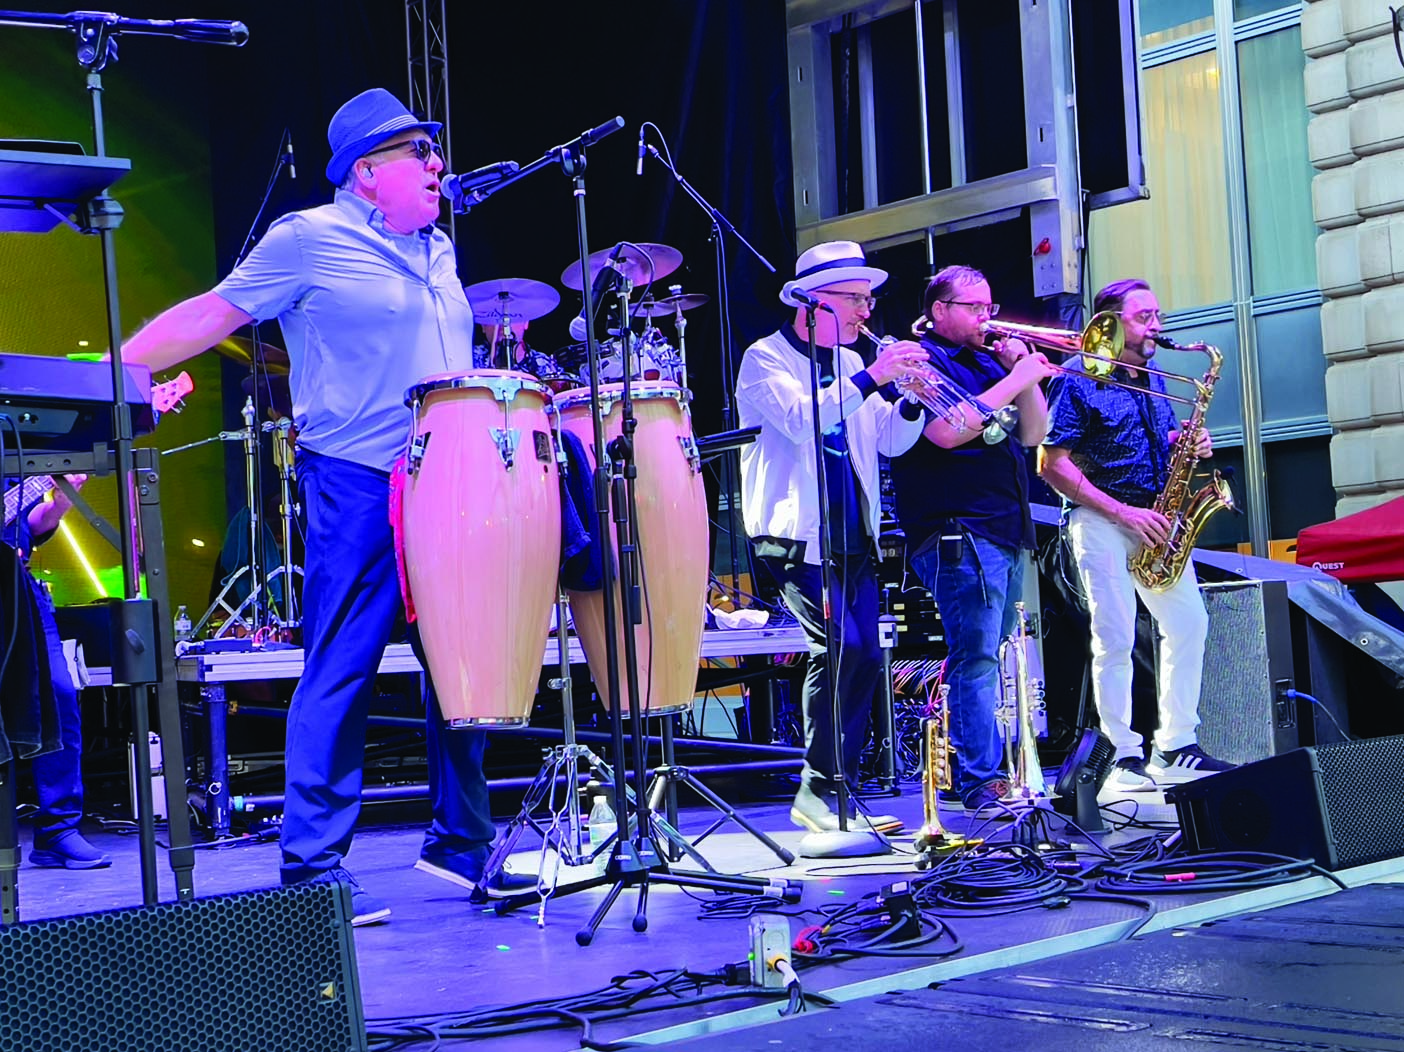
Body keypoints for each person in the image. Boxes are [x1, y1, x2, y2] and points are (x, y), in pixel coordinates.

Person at [123, 88, 498, 924]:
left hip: (445, 482)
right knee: (343, 664)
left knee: (462, 663)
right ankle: (312, 865)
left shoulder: (439, 249)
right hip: (356, 480)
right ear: (366, 172)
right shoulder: (307, 238)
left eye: (434, 150)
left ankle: (463, 845)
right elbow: (213, 310)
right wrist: (119, 368)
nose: (438, 165)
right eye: (419, 152)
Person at [736, 240, 928, 834]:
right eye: (855, 299)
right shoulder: (764, 358)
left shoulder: (849, 363)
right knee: (840, 646)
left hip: (853, 532)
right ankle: (820, 791)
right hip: (794, 535)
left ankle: (837, 789)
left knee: (867, 653)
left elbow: (889, 441)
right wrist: (874, 376)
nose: (866, 311)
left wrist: (912, 400)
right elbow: (803, 420)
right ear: (813, 302)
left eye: (868, 300)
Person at [1038, 278, 1232, 788]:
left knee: (1189, 622)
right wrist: (1123, 513)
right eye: (1144, 317)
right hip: (1101, 519)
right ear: (1110, 323)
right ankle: (1122, 754)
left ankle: (1176, 745)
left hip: (1157, 519)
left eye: (1158, 316)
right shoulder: (1078, 376)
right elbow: (1051, 464)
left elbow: (1155, 443)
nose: (1157, 327)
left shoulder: (1154, 377)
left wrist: (1186, 442)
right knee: (1115, 636)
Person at [888, 265, 1055, 815]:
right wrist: (1015, 376)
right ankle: (979, 778)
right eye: (974, 307)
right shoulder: (921, 360)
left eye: (989, 306)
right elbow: (946, 430)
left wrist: (1025, 376)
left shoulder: (988, 361)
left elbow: (1034, 434)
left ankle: (985, 771)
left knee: (991, 651)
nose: (987, 317)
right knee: (976, 655)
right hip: (957, 527)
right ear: (939, 309)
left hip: (1005, 524)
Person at [5, 475, 111, 870]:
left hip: (17, 586)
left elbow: (32, 523)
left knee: (59, 693)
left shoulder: (15, 446)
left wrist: (65, 496)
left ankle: (57, 830)